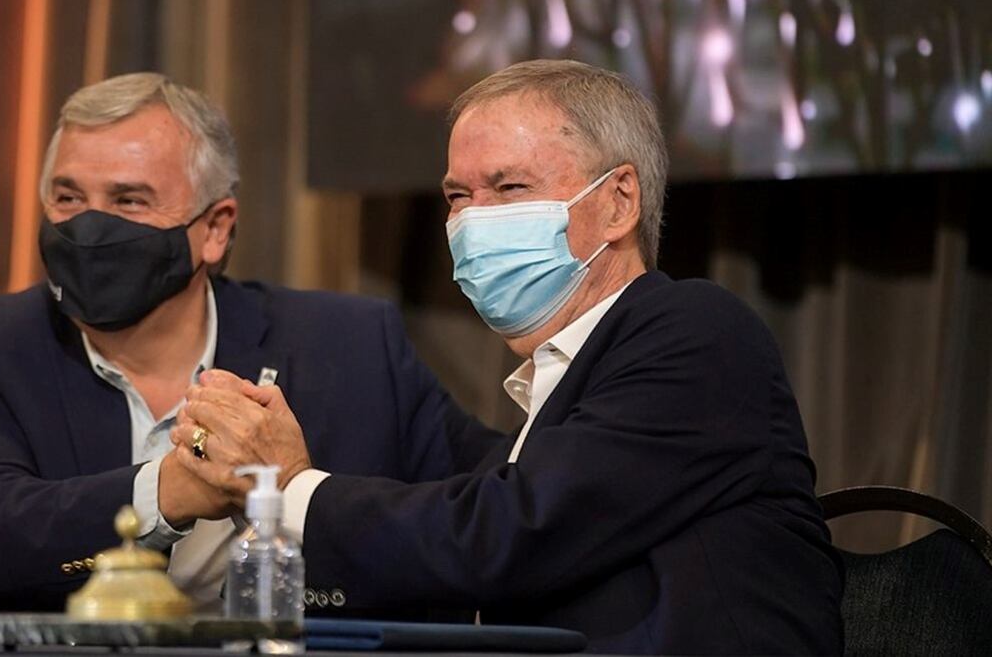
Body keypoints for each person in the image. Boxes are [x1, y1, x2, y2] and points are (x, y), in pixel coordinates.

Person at [176, 60, 844, 654]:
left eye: (510, 188)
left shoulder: (697, 332)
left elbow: (502, 534)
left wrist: (287, 486)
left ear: (618, 202)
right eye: (458, 196)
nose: (472, 221)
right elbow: (457, 526)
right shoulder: (542, 411)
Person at [0, 72, 498, 613]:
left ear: (215, 229)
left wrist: (296, 493)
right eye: (68, 198)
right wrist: (165, 493)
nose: (88, 228)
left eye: (129, 201)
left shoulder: (348, 343)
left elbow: (492, 506)